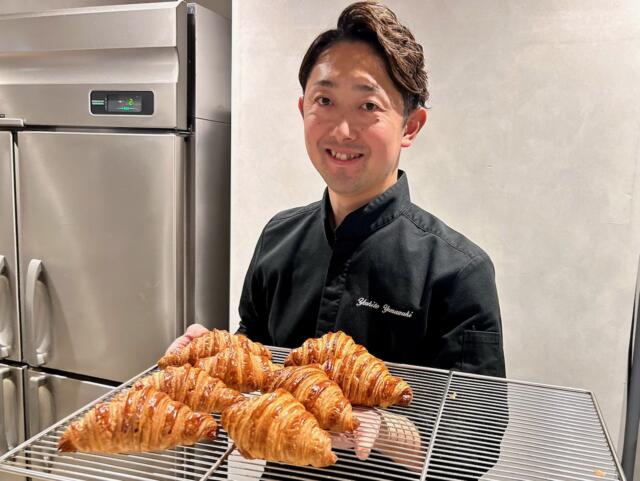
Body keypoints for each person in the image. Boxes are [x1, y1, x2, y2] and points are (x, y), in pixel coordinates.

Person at [169, 2, 507, 478]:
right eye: (324, 101)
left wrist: (379, 428)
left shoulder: (458, 271)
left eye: (368, 106)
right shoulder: (278, 237)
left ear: (410, 126)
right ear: (303, 109)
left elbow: (476, 444)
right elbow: (257, 366)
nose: (342, 130)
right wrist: (215, 360)